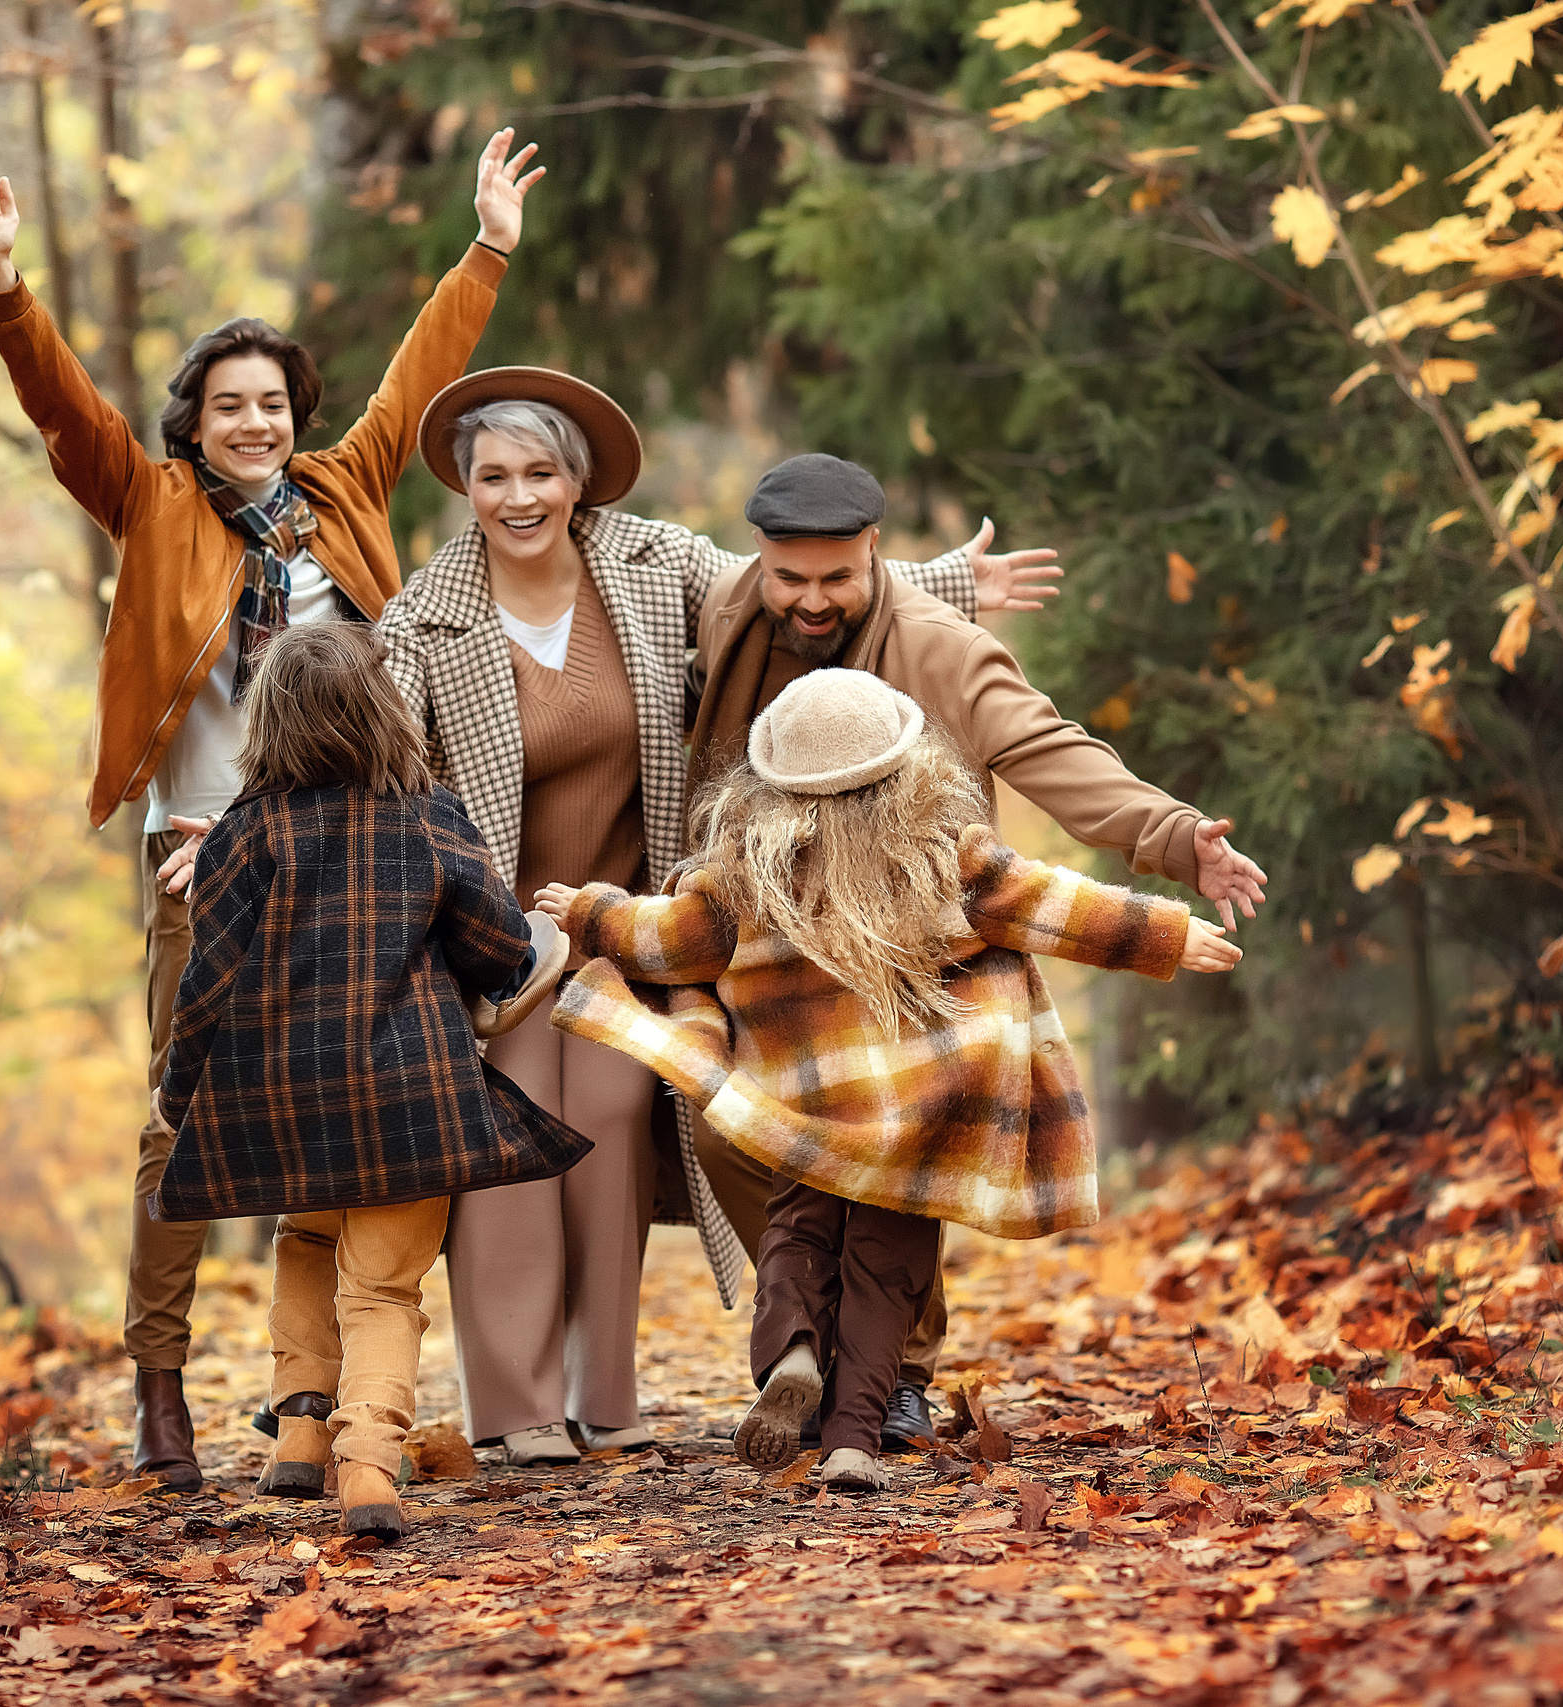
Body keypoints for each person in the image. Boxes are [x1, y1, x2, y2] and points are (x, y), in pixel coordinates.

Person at [0, 131, 545, 1490]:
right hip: (205, 863)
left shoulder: (345, 494)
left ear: (295, 411)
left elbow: (420, 376)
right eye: (229, 405)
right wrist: (2, 289)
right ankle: (162, 1386)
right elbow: (65, 411)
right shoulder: (147, 508)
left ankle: (324, 1407)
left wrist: (487, 247)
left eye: (274, 400)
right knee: (176, 1112)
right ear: (191, 423)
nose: (257, 422)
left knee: (370, 1107)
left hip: (368, 859)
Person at [342, 368, 1058, 1466]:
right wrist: (250, 821)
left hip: (632, 924)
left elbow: (781, 579)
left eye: (540, 472)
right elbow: (369, 766)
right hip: (495, 934)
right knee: (509, 1137)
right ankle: (517, 1406)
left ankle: (603, 1392)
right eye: (494, 476)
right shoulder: (424, 619)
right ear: (464, 486)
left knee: (618, 1119)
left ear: (577, 484)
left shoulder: (646, 563)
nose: (518, 495)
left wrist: (950, 580)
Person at [679, 453, 1273, 1453]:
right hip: (785, 962)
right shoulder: (732, 611)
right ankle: (814, 1345)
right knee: (726, 1133)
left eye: (837, 579)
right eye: (791, 578)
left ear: (876, 555)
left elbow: (1053, 752)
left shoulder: (943, 652)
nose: (810, 600)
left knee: (902, 1155)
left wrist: (1174, 840)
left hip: (920, 962)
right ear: (761, 563)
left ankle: (891, 1376)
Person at [541, 670, 1242, 1489]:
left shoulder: (745, 878)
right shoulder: (950, 858)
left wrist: (587, 909)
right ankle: (852, 1442)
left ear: (768, 782)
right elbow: (1056, 904)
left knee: (794, 1237)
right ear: (911, 769)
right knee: (887, 1272)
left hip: (803, 1110)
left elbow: (660, 942)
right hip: (921, 1117)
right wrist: (1165, 933)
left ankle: (793, 1351)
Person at [152, 623, 591, 1539]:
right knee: (386, 1287)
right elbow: (504, 947)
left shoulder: (242, 831)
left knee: (305, 1241)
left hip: (282, 1100)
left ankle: (298, 1438)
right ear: (386, 711)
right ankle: (368, 1469)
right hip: (409, 1101)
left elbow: (206, 983)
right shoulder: (430, 814)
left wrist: (177, 1085)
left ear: (265, 723)